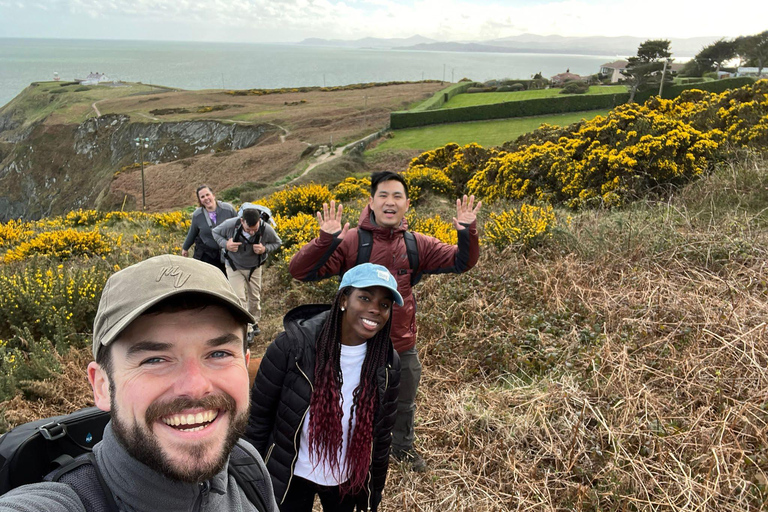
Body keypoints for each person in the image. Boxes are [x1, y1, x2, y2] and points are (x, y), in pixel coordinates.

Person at [0, 255, 277, 512]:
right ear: (102, 386)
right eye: (155, 360)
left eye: (219, 354)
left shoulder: (246, 465)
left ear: (244, 361)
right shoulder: (62, 504)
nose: (195, 386)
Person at [288, 171, 481, 471]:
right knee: (348, 401)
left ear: (407, 205)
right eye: (383, 195)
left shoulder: (417, 244)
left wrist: (467, 232)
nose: (390, 202)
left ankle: (402, 448)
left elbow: (461, 261)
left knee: (403, 403)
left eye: (397, 196)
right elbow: (300, 271)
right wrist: (325, 240)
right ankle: (347, 451)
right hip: (353, 344)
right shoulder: (352, 241)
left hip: (401, 344)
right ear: (371, 202)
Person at [246, 263, 402, 511]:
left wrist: (373, 496)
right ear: (343, 299)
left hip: (346, 481)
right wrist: (248, 481)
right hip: (289, 475)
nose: (375, 309)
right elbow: (258, 419)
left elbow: (381, 437)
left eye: (384, 305)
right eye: (364, 298)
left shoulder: (387, 362)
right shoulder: (292, 347)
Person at [213, 206, 282, 337]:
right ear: (242, 221)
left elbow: (277, 242)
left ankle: (254, 321)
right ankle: (246, 327)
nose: (251, 232)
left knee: (254, 297)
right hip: (234, 266)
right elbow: (215, 232)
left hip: (254, 267)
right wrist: (225, 244)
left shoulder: (265, 228)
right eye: (248, 229)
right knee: (239, 298)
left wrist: (264, 249)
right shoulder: (230, 224)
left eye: (254, 230)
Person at [181, 185, 237, 273]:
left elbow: (240, 227)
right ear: (200, 200)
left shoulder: (228, 209)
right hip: (208, 255)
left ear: (213, 195)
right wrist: (185, 248)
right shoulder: (197, 215)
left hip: (228, 254)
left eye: (208, 195)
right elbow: (192, 232)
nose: (206, 198)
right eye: (202, 197)